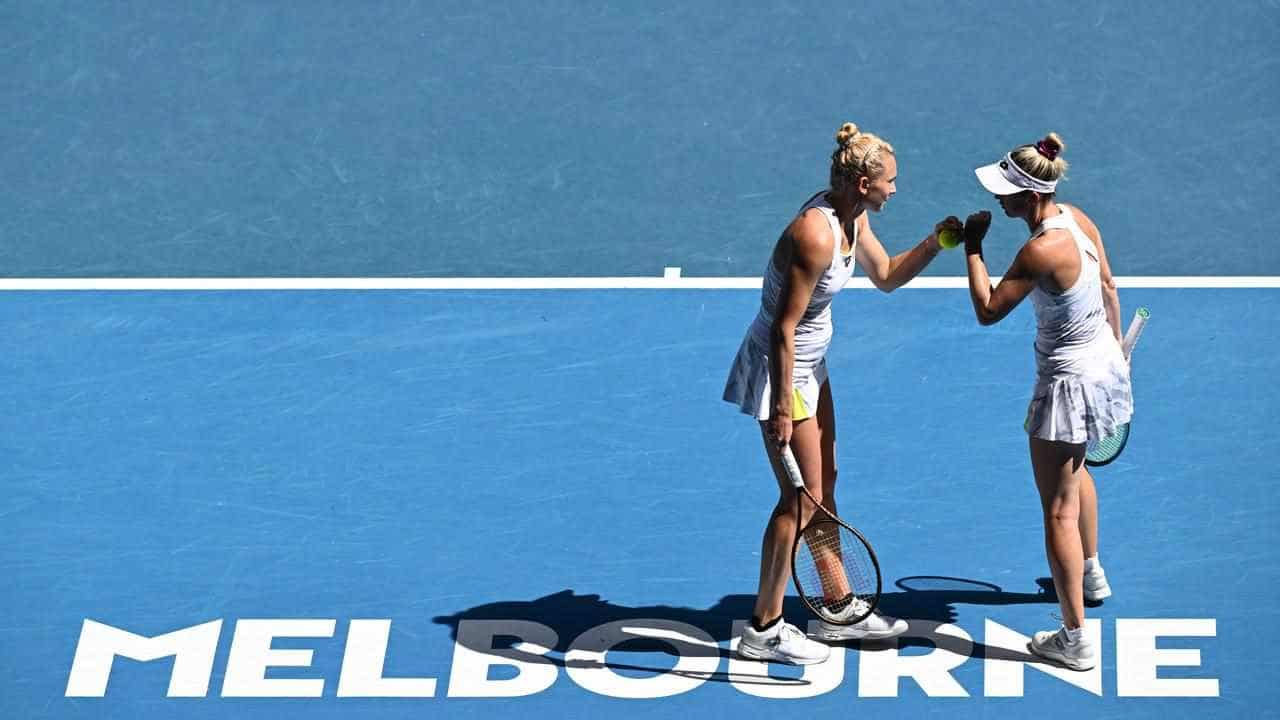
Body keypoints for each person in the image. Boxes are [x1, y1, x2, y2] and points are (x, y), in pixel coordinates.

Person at [723, 122, 960, 664]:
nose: (894, 189)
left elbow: (888, 276)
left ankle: (835, 608)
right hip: (782, 373)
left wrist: (935, 242)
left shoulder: (850, 219)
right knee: (798, 500)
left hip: (810, 367)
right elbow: (784, 327)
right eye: (889, 182)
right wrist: (781, 406)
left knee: (823, 486)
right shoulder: (816, 234)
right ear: (860, 182)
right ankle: (764, 628)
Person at [963, 133, 1132, 671]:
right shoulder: (1078, 219)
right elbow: (1106, 286)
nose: (998, 198)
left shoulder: (1039, 249)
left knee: (1058, 509)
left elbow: (989, 310)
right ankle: (1091, 570)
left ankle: (1075, 638)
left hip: (1066, 384)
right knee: (1077, 471)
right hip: (1104, 365)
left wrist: (971, 247)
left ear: (1033, 195)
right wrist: (1115, 354)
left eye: (1007, 190)